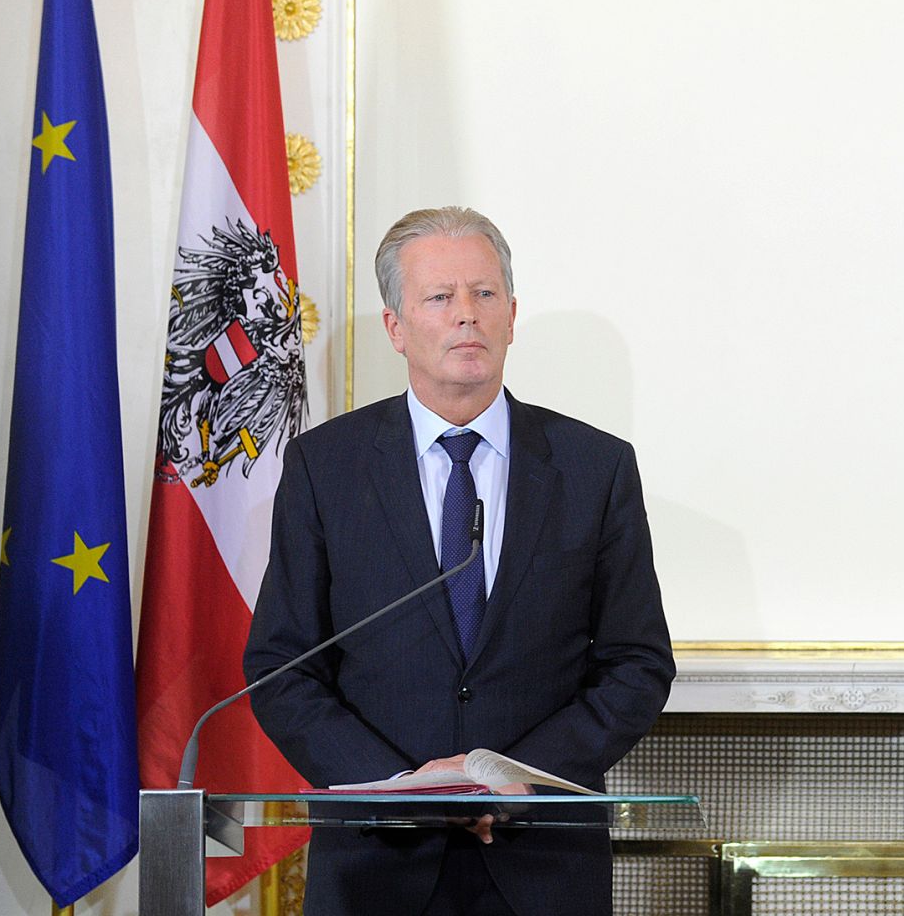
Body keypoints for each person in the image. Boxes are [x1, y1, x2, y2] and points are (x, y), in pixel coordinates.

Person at [245, 207, 675, 916]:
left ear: (511, 315)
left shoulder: (594, 468)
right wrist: (406, 787)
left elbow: (637, 664)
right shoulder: (327, 466)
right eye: (440, 298)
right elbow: (282, 669)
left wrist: (512, 778)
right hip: (377, 861)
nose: (466, 316)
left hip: (542, 861)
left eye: (483, 294)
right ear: (396, 327)